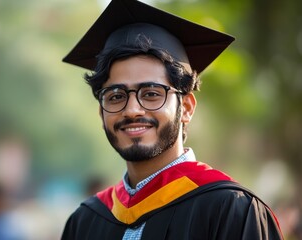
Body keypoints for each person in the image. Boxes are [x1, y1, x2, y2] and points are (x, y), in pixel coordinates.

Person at [61, 0, 283, 239]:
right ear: (101, 112)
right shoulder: (85, 222)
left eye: (152, 94)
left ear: (186, 107)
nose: (132, 110)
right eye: (116, 96)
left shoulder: (231, 210)